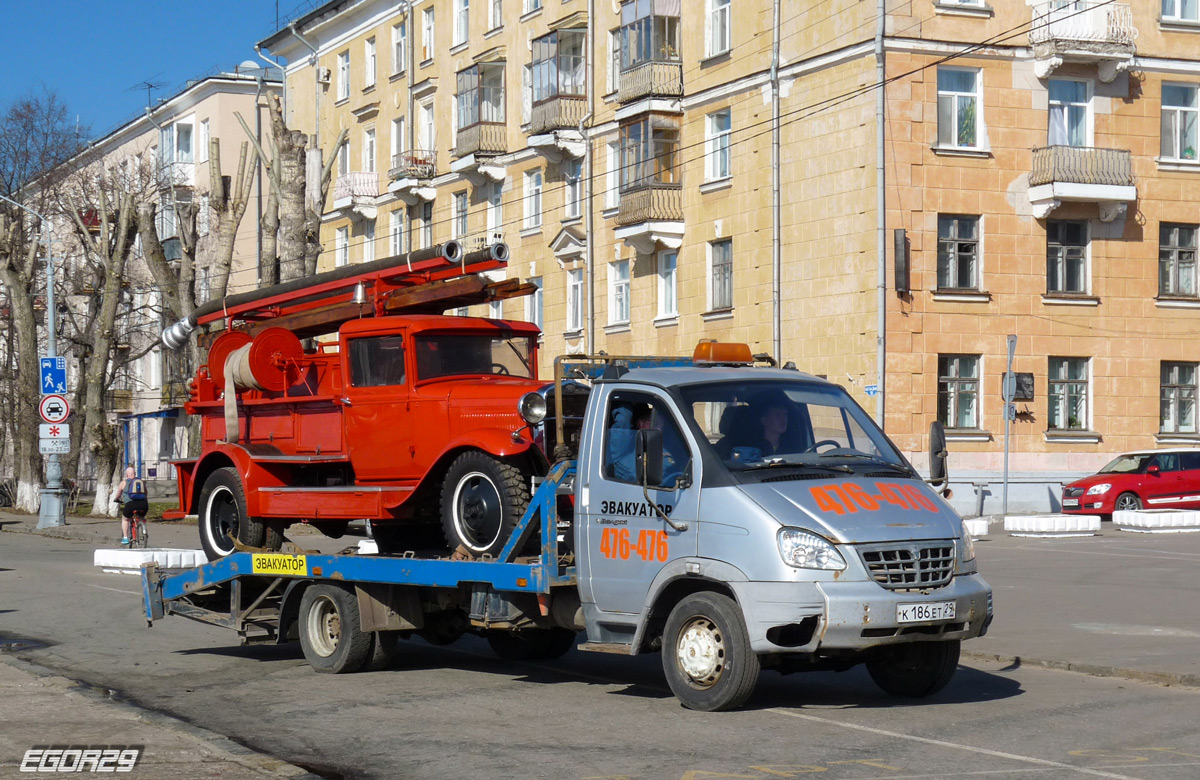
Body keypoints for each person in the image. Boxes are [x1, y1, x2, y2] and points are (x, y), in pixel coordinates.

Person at [110, 466, 149, 546]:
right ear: (134, 474)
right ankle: (143, 529)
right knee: (141, 516)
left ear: (127, 475)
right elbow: (146, 493)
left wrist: (116, 499)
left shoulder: (123, 482)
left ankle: (125, 537)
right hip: (144, 504)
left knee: (125, 519)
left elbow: (119, 493)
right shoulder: (141, 481)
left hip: (131, 505)